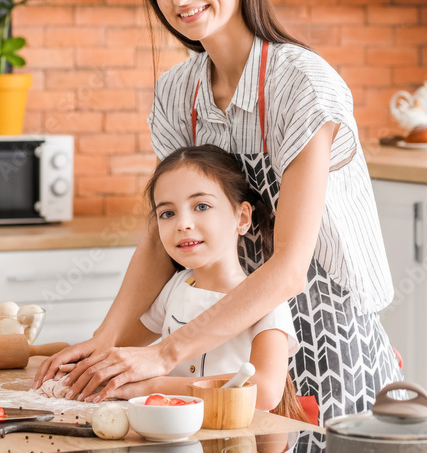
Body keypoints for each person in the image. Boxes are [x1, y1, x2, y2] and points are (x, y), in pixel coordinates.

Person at [34, 0, 402, 424]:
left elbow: (290, 269)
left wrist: (161, 354)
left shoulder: (300, 83)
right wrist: (102, 346)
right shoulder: (178, 92)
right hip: (215, 344)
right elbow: (160, 240)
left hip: (324, 340)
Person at [99, 144, 303, 417]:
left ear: (242, 218)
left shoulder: (266, 301)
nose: (182, 223)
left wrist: (157, 387)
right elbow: (120, 350)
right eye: (167, 213)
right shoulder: (175, 287)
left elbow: (266, 391)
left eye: (201, 206)